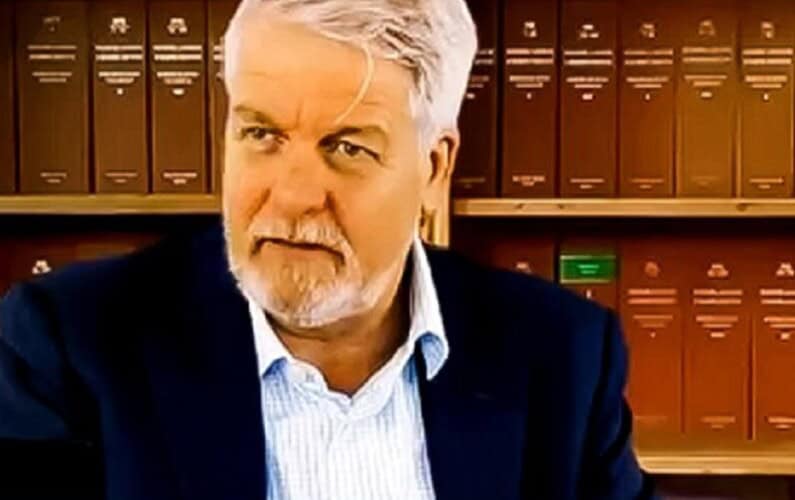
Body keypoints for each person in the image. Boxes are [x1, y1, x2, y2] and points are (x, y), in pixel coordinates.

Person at [0, 0, 657, 498]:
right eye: (261, 134)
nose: (292, 197)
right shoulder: (65, 344)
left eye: (346, 147)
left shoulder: (563, 356)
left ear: (433, 168)